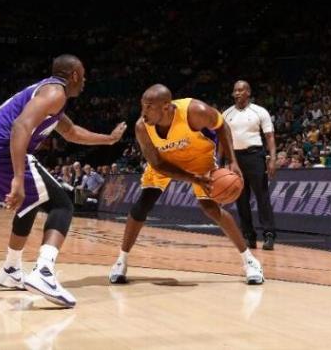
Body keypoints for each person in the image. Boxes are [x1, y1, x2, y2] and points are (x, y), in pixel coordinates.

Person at [0, 54, 127, 308]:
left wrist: (109, 139)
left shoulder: (48, 97)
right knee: (63, 204)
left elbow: (71, 132)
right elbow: (20, 126)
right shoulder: (55, 92)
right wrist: (18, 177)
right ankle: (44, 272)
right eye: (83, 75)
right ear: (73, 75)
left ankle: (11, 270)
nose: (85, 80)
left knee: (31, 200)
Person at [109, 84, 264, 285]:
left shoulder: (195, 111)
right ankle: (122, 261)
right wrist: (192, 178)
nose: (143, 112)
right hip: (166, 162)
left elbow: (222, 126)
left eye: (148, 107)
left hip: (199, 159)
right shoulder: (142, 127)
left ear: (166, 107)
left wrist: (233, 161)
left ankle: (249, 261)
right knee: (142, 205)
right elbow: (158, 164)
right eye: (142, 106)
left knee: (211, 208)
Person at [222, 81, 277, 250]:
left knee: (262, 196)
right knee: (241, 199)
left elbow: (269, 137)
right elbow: (224, 140)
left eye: (241, 90)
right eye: (235, 90)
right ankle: (249, 236)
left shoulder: (260, 111)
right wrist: (224, 162)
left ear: (248, 92)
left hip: (255, 155)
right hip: (235, 158)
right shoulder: (226, 114)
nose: (237, 93)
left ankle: (268, 235)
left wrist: (273, 159)